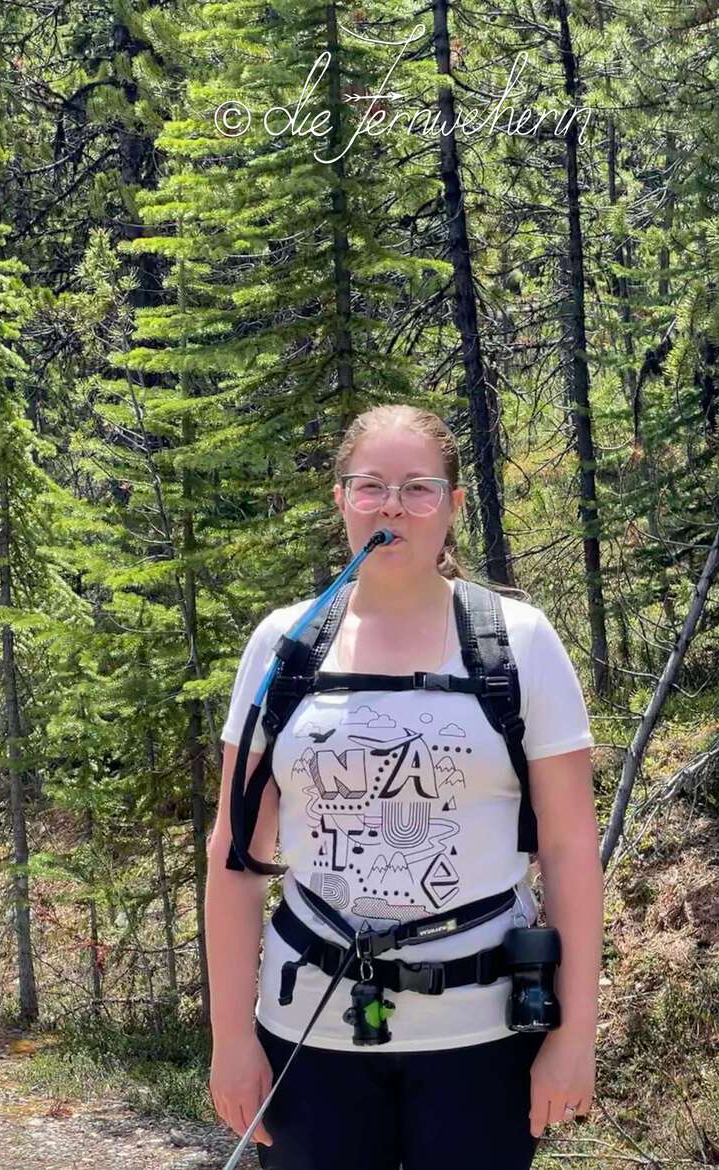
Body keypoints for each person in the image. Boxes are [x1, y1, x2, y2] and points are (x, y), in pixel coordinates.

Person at [207, 404, 603, 1170]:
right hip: (306, 1036)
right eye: (371, 486)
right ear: (340, 499)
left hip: (484, 1042)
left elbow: (569, 848)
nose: (393, 506)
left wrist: (573, 1036)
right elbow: (235, 855)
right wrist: (231, 1039)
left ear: (454, 507)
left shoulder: (518, 643)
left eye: (419, 489)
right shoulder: (282, 647)